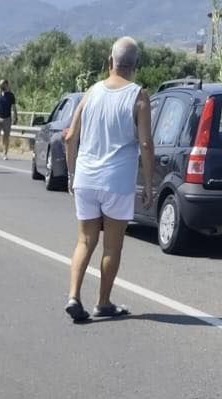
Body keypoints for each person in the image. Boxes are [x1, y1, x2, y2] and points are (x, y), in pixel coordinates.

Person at [63, 36, 155, 322]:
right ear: (135, 65)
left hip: (87, 178)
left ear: (110, 61)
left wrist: (71, 174)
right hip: (117, 181)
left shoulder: (91, 92)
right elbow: (146, 144)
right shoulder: (139, 97)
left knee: (84, 241)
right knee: (112, 246)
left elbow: (69, 137)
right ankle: (103, 303)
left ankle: (73, 296)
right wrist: (149, 183)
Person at [0, 79, 18, 159]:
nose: (1, 86)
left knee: (6, 137)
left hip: (7, 118)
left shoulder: (11, 95)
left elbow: (14, 107)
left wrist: (16, 117)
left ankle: (5, 153)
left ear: (6, 85)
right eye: (0, 85)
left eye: (2, 84)